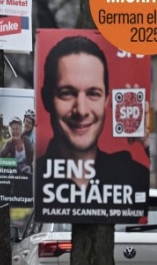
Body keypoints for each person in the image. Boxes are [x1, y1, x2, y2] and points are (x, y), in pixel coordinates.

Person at [36, 35, 149, 209]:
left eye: (93, 94)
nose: (81, 110)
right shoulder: (33, 177)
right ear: (46, 98)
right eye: (67, 93)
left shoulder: (130, 174)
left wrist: (148, 146)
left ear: (106, 100)